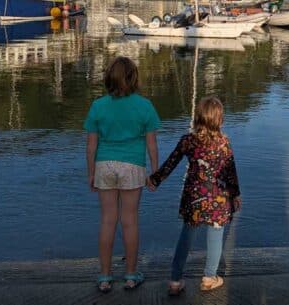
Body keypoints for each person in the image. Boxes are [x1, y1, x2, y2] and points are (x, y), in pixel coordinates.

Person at [148, 96, 241, 296]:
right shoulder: (224, 143)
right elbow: (230, 172)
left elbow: (171, 162)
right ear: (220, 120)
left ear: (198, 118)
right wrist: (236, 195)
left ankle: (175, 280)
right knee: (216, 236)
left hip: (194, 198)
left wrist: (155, 180)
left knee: (186, 236)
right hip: (219, 199)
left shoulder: (188, 141)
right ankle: (209, 278)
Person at [83, 56, 160, 293]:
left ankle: (105, 277)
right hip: (133, 166)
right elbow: (152, 144)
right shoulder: (145, 106)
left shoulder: (98, 106)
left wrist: (91, 173)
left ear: (109, 78)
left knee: (108, 220)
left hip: (105, 165)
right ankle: (130, 275)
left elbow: (91, 145)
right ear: (134, 78)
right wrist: (155, 172)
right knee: (130, 221)